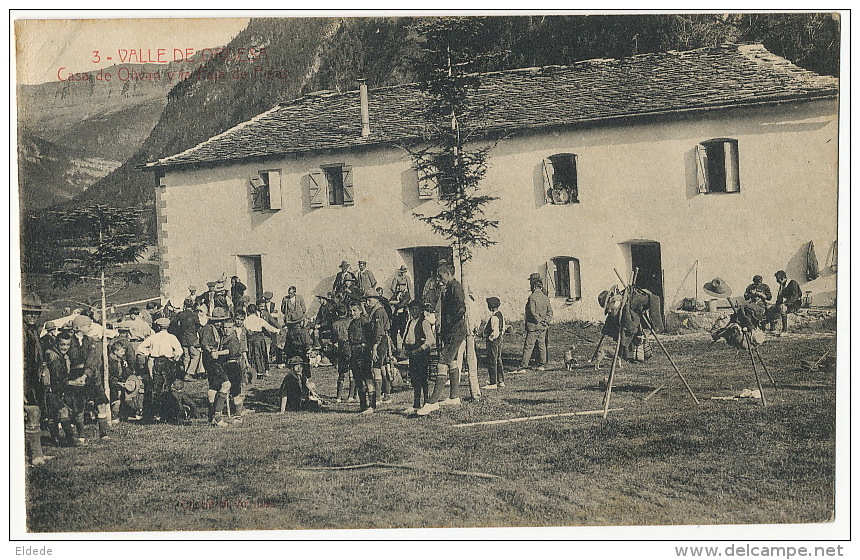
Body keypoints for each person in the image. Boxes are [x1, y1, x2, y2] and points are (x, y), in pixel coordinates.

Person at [417, 262, 467, 415]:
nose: (439, 280)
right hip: (450, 331)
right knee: (451, 361)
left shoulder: (455, 287)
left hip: (455, 331)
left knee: (441, 362)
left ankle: (433, 402)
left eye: (440, 276)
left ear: (448, 274)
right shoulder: (449, 287)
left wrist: (450, 323)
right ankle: (454, 396)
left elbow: (461, 308)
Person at [22, 293, 54, 465]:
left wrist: (44, 368)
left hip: (34, 380)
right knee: (31, 413)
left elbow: (37, 358)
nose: (32, 316)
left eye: (35, 312)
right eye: (28, 312)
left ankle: (36, 452)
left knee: (35, 413)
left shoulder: (33, 331)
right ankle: (33, 455)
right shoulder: (17, 332)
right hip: (21, 380)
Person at [136, 317, 183, 422]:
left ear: (157, 327)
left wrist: (148, 354)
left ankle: (155, 413)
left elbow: (140, 348)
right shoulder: (172, 337)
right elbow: (179, 351)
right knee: (167, 386)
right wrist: (174, 358)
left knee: (155, 387)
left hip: (154, 361)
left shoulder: (153, 337)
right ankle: (165, 413)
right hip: (168, 362)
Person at [512, 275, 553, 373]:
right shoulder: (546, 297)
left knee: (528, 346)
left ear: (534, 286)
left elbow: (532, 312)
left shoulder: (532, 297)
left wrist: (539, 321)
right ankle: (542, 364)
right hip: (543, 327)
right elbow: (550, 311)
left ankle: (523, 366)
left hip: (534, 327)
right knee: (541, 345)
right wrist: (545, 321)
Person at [401, 300, 436, 415]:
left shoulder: (424, 322)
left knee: (423, 378)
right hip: (412, 353)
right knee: (414, 379)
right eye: (412, 309)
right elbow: (407, 336)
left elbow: (430, 340)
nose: (413, 311)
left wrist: (419, 349)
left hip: (421, 353)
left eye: (416, 309)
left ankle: (426, 402)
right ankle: (416, 404)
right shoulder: (410, 322)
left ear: (421, 310)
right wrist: (405, 349)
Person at [200, 308, 231, 427]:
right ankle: (218, 417)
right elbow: (204, 343)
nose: (219, 323)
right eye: (216, 321)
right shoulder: (208, 328)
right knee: (226, 384)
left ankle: (211, 417)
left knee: (213, 388)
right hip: (211, 360)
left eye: (221, 321)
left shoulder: (218, 330)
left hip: (214, 360)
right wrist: (212, 351)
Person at [346, 302, 374, 413]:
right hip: (354, 353)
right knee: (358, 380)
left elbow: (370, 338)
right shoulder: (352, 323)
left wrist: (366, 350)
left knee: (367, 378)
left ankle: (372, 405)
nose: (352, 313)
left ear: (360, 310)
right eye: (351, 310)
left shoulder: (365, 322)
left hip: (363, 353)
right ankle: (363, 405)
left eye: (354, 310)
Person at [365, 294, 392, 404]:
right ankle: (387, 395)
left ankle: (377, 397)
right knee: (382, 368)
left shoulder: (379, 312)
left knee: (376, 368)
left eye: (369, 300)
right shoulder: (376, 310)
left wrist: (375, 347)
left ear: (376, 300)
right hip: (382, 341)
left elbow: (379, 331)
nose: (367, 302)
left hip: (380, 342)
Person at [243, 304, 279, 379]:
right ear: (256, 311)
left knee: (252, 354)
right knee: (261, 354)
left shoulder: (246, 320)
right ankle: (262, 371)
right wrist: (277, 330)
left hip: (251, 339)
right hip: (259, 339)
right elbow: (269, 327)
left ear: (248, 311)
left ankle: (254, 371)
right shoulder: (259, 319)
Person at [173, 299, 203, 381]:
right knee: (195, 355)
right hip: (192, 338)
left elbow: (175, 324)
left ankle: (186, 373)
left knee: (186, 357)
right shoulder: (194, 315)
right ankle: (189, 374)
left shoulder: (181, 314)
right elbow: (198, 326)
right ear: (192, 305)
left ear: (184, 305)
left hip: (183, 338)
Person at [330, 304, 355, 403]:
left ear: (337, 313)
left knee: (341, 373)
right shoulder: (350, 322)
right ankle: (351, 396)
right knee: (352, 372)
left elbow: (333, 339)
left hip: (341, 349)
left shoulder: (335, 324)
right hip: (350, 347)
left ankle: (338, 397)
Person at [767, 270, 802, 336]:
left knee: (783, 308)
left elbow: (795, 297)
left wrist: (784, 304)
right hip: (788, 303)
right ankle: (773, 329)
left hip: (795, 304)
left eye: (778, 280)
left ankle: (784, 331)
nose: (777, 281)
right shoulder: (782, 285)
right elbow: (779, 298)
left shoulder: (792, 283)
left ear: (782, 278)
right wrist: (776, 305)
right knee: (771, 309)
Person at [482, 297, 506, 389]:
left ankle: (493, 382)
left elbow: (495, 331)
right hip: (500, 339)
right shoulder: (501, 315)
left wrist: (490, 338)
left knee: (492, 360)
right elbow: (502, 328)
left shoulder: (494, 317)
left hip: (493, 341)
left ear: (491, 307)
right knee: (498, 359)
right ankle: (500, 380)